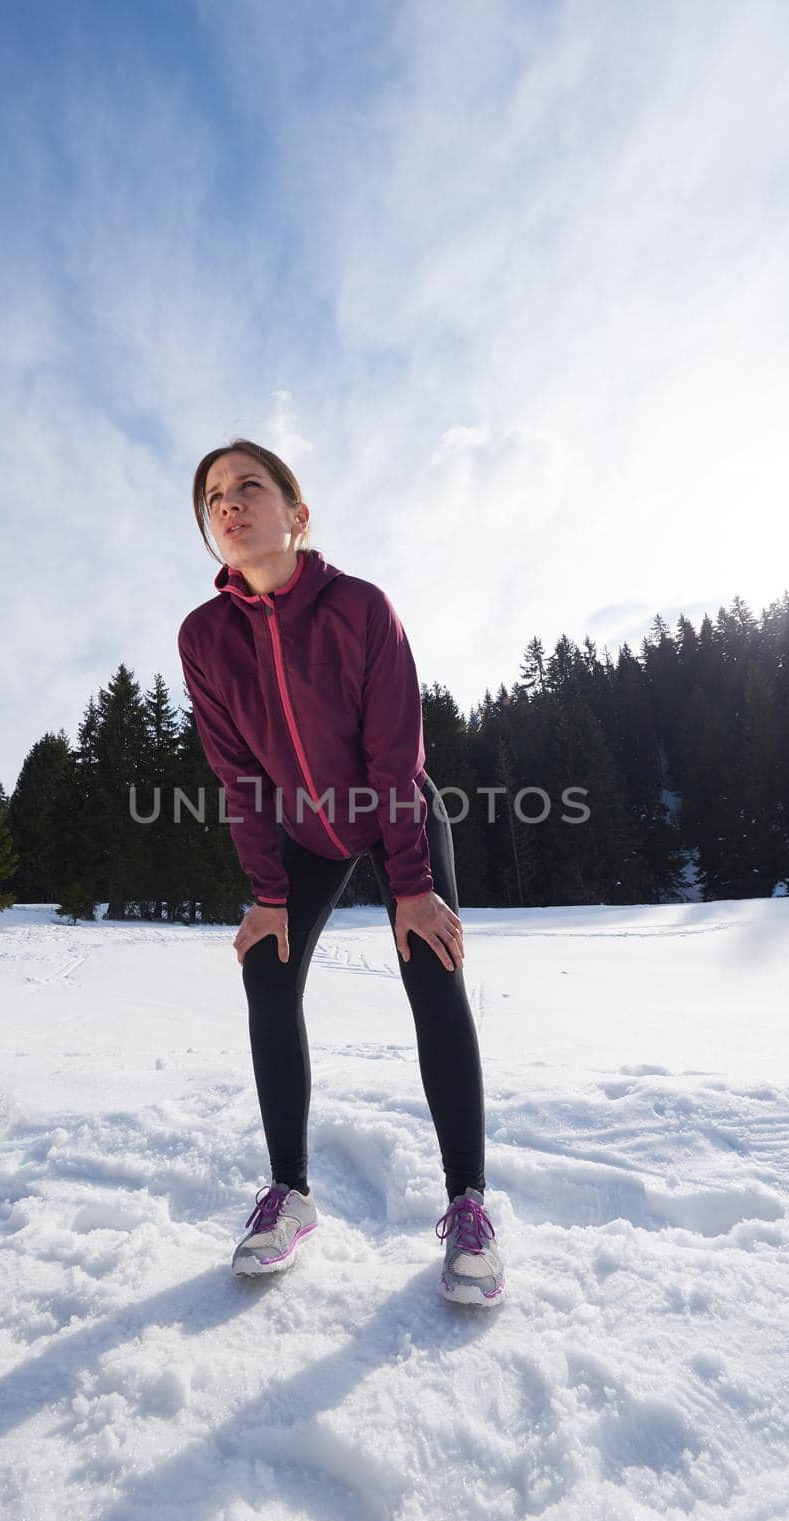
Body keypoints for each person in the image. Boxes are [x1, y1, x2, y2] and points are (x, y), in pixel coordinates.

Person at [176, 440, 505, 1307]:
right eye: (214, 498)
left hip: (394, 811)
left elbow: (396, 757)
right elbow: (238, 776)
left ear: (298, 512)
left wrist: (411, 886)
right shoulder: (204, 638)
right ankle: (290, 1195)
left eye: (250, 486)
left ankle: (468, 1208)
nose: (231, 505)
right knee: (266, 972)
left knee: (434, 966)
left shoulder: (361, 609)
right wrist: (267, 896)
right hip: (300, 833)